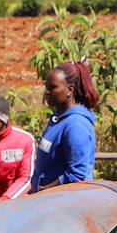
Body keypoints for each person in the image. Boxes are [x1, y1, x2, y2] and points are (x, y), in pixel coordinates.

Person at [31, 61, 98, 193]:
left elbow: (78, 175)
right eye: (46, 87)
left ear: (69, 90)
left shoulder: (76, 125)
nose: (47, 92)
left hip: (65, 201)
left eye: (53, 87)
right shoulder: (58, 118)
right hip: (46, 201)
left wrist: (46, 190)